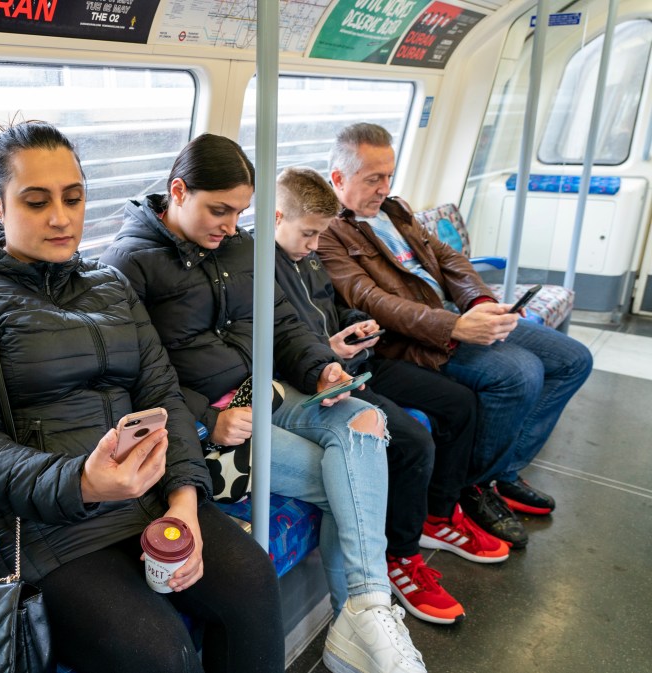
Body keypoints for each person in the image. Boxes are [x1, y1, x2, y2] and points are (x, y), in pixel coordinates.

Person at [0, 120, 284, 673]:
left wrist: (185, 497)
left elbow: (160, 394)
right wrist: (81, 482)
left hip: (145, 496)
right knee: (158, 653)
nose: (61, 218)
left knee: (254, 586)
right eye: (36, 202)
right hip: (40, 521)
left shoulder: (109, 285)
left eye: (73, 197)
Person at [100, 133, 427, 673]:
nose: (230, 225)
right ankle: (364, 634)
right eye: (219, 210)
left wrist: (320, 366)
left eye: (240, 213)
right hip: (214, 421)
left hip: (272, 391)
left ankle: (365, 613)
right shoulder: (128, 266)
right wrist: (207, 418)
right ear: (177, 192)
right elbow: (130, 375)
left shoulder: (240, 249)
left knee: (365, 422)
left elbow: (283, 325)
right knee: (348, 482)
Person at [318, 122, 594, 548]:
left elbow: (448, 259)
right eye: (374, 179)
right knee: (519, 374)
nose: (384, 187)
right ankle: (474, 488)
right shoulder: (329, 233)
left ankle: (498, 473)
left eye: (389, 176)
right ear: (338, 179)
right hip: (418, 339)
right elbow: (371, 300)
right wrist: (455, 326)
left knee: (574, 360)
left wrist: (479, 303)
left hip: (459, 317)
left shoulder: (395, 210)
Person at [272, 166, 509, 625]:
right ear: (276, 216)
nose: (315, 245)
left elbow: (333, 305)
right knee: (412, 443)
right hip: (319, 377)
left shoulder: (309, 254)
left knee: (460, 403)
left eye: (320, 236)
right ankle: (400, 556)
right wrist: (328, 352)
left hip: (360, 361)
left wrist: (357, 322)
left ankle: (438, 515)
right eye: (308, 235)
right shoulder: (261, 267)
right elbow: (282, 344)